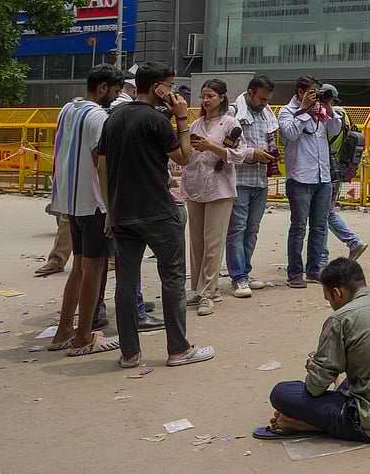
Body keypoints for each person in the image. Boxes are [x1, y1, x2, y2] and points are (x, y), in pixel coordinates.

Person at [99, 61, 214, 368]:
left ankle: (129, 353)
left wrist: (110, 207)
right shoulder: (157, 120)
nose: (173, 92)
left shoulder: (113, 117)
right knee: (173, 277)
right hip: (158, 212)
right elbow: (184, 157)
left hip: (122, 212)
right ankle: (178, 349)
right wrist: (181, 119)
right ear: (158, 87)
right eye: (170, 85)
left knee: (125, 280)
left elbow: (101, 165)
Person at [259, 258, 370, 442]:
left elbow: (315, 388)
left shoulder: (341, 318)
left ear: (336, 293)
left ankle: (306, 424)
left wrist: (316, 367)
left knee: (282, 393)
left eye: (329, 299)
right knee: (350, 380)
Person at [47, 65, 124, 356]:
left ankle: (63, 330)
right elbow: (100, 163)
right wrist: (111, 204)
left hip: (70, 201)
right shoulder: (97, 117)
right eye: (114, 92)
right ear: (102, 87)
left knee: (79, 268)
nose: (114, 99)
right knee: (93, 268)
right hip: (94, 204)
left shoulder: (67, 109)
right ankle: (82, 336)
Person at [181, 80, 249, 316]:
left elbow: (239, 154)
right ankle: (201, 289)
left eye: (210, 96)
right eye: (203, 96)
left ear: (221, 97)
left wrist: (212, 146)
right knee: (196, 242)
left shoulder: (231, 124)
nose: (206, 100)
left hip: (219, 189)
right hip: (195, 185)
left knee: (213, 242)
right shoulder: (196, 124)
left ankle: (209, 292)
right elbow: (185, 154)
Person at [278, 75, 342, 288]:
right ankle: (295, 273)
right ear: (300, 92)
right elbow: (290, 133)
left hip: (322, 177)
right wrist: (304, 111)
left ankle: (314, 270)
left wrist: (328, 107)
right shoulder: (287, 111)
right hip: (299, 177)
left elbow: (334, 130)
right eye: (312, 92)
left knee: (319, 227)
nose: (315, 96)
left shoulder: (321, 111)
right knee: (298, 227)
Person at [227, 76, 278, 298]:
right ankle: (238, 278)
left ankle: (245, 272)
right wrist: (252, 154)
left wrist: (272, 152)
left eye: (267, 100)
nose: (264, 103)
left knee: (252, 229)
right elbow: (225, 148)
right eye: (261, 99)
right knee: (237, 229)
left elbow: (270, 138)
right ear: (250, 92)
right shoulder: (232, 113)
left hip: (260, 180)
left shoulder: (266, 114)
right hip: (239, 180)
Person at [320, 84, 367, 265]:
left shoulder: (331, 115)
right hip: (339, 169)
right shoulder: (345, 115)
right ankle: (353, 242)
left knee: (322, 216)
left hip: (327, 170)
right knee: (327, 212)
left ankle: (326, 255)